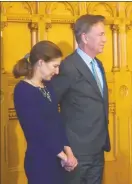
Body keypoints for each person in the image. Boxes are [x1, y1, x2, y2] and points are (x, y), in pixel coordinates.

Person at [51, 14, 110, 184]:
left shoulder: (98, 65)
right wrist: (64, 149)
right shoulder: (67, 67)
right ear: (84, 37)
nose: (105, 39)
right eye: (100, 34)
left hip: (98, 148)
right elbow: (51, 107)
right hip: (76, 152)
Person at [13, 40, 78, 184]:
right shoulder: (23, 90)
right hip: (40, 162)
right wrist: (63, 157)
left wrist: (69, 153)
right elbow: (36, 131)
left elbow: (57, 122)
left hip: (59, 159)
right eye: (55, 66)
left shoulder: (48, 86)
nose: (57, 72)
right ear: (41, 63)